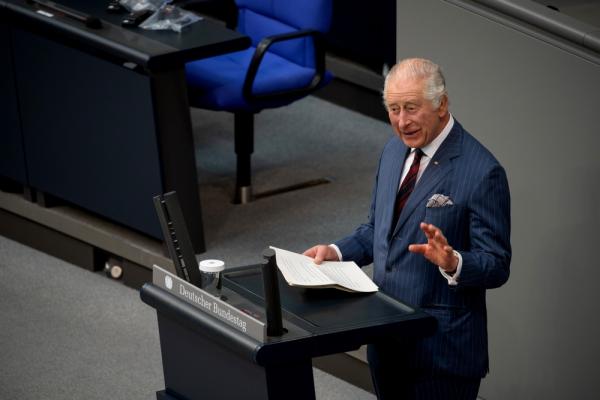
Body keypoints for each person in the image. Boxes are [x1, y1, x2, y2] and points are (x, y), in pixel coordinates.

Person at [304, 58, 511, 399]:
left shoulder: (482, 172)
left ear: (441, 104)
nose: (402, 121)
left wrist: (453, 261)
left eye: (411, 108)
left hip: (441, 351)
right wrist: (337, 252)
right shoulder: (392, 150)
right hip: (386, 338)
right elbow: (377, 229)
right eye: (394, 109)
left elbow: (497, 264)